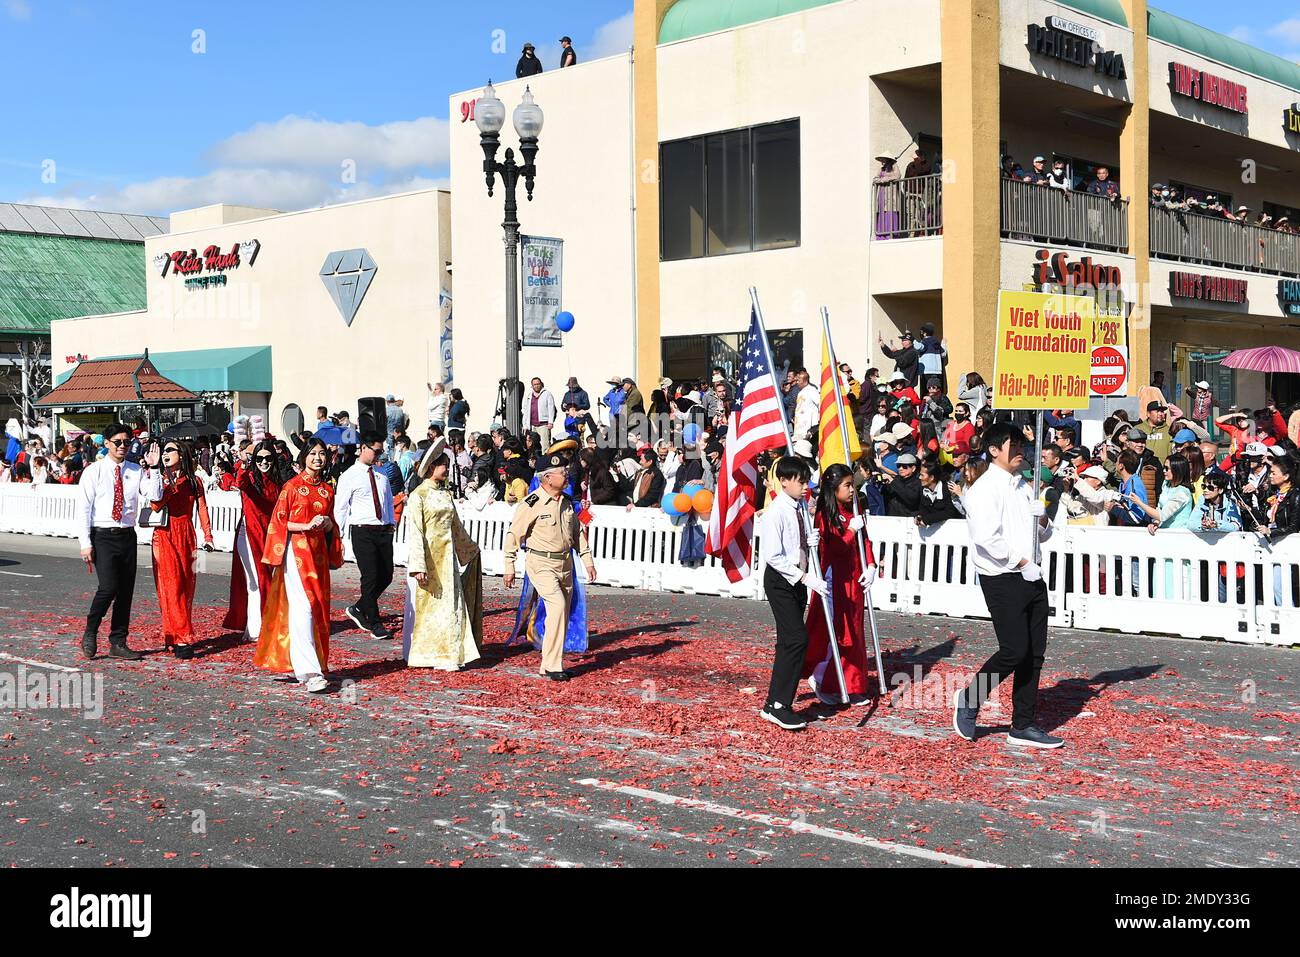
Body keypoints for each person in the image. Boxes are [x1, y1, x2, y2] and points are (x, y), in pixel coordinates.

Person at [952, 423, 1060, 749]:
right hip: (1002, 576)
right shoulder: (984, 488)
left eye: (1021, 447)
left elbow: (1040, 536)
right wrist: (1022, 564)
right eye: (1013, 446)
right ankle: (970, 698)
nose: (1020, 453)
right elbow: (986, 539)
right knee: (1014, 649)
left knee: (1034, 654)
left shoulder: (1023, 485)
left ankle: (1023, 724)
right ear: (995, 450)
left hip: (1031, 572)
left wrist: (1042, 518)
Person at [254, 437, 342, 693]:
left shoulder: (327, 490)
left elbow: (332, 524)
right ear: (303, 457)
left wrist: (327, 526)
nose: (318, 458)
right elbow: (279, 522)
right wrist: (305, 526)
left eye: (322, 453)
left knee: (317, 608)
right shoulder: (291, 487)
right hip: (296, 553)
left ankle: (310, 663)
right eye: (313, 453)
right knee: (303, 607)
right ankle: (310, 671)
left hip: (318, 556)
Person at [503, 452, 597, 680]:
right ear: (546, 478)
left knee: (563, 612)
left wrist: (588, 562)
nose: (566, 475)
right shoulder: (531, 503)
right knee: (556, 605)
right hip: (541, 563)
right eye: (561, 472)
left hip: (564, 564)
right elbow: (514, 533)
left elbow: (577, 535)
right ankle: (553, 665)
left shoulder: (565, 503)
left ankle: (549, 664)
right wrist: (509, 565)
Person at [77, 423, 164, 660]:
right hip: (103, 535)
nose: (123, 447)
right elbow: (83, 509)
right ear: (106, 444)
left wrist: (155, 468)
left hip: (127, 534)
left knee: (125, 591)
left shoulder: (136, 471)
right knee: (108, 588)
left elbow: (155, 495)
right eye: (118, 442)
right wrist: (85, 542)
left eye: (127, 442)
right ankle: (91, 630)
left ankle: (118, 641)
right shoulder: (93, 472)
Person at [799, 464, 876, 707]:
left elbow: (865, 542)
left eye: (852, 484)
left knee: (853, 632)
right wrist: (851, 530)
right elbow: (835, 549)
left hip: (854, 579)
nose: (852, 490)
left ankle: (851, 683)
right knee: (836, 632)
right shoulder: (825, 515)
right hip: (835, 581)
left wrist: (871, 566)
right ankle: (822, 676)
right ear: (834, 489)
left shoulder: (855, 507)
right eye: (846, 485)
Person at [402, 440, 483, 670]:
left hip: (448, 560)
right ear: (431, 467)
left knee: (452, 605)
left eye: (447, 464)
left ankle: (451, 653)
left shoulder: (446, 494)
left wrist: (469, 550)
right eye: (443, 465)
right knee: (431, 607)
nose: (446, 469)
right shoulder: (419, 495)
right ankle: (429, 653)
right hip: (429, 559)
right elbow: (415, 531)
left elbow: (455, 526)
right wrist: (418, 566)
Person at [759, 455, 823, 730]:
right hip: (781, 580)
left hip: (796, 578)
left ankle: (776, 702)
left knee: (791, 641)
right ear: (784, 482)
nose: (804, 485)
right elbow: (773, 556)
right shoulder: (777, 511)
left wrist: (811, 544)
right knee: (796, 639)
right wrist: (805, 577)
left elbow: (795, 546)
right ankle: (779, 704)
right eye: (799, 480)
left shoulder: (798, 508)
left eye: (806, 480)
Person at [148, 439, 214, 658]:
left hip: (186, 535)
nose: (164, 453)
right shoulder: (160, 479)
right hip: (164, 535)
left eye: (169, 450)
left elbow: (202, 508)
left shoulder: (194, 481)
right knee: (171, 586)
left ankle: (173, 637)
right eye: (163, 451)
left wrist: (208, 535)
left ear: (182, 454)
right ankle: (183, 639)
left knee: (185, 587)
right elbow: (155, 504)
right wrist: (160, 473)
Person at [335, 431, 396, 639]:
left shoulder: (381, 476)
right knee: (369, 576)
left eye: (381, 451)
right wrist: (338, 536)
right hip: (362, 530)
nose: (378, 455)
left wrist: (391, 524)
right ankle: (374, 622)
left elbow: (388, 502)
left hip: (382, 530)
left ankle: (360, 607)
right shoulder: (349, 476)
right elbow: (341, 508)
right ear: (363, 449)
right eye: (375, 451)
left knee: (386, 574)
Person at [224, 439, 282, 641]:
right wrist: (243, 463)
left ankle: (259, 627)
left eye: (268, 458)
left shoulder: (277, 482)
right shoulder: (248, 476)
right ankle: (256, 629)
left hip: (271, 536)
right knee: (256, 581)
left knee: (268, 581)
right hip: (249, 534)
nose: (264, 462)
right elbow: (240, 483)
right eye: (259, 458)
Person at [1127, 453, 1197, 534]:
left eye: (1167, 468)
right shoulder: (1166, 484)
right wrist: (1156, 522)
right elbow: (1160, 508)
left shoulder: (1182, 493)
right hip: (1164, 532)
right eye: (1164, 467)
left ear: (1177, 470)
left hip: (1178, 534)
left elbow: (1162, 516)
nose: (1164, 471)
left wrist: (1139, 503)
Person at [916, 459, 963, 526]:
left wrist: (928, 520)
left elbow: (950, 512)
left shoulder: (948, 489)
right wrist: (919, 516)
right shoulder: (923, 490)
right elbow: (923, 509)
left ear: (931, 477)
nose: (919, 478)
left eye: (922, 475)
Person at [626, 445, 666, 509]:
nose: (640, 462)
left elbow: (652, 495)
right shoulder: (639, 472)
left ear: (650, 462)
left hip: (649, 509)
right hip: (636, 507)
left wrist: (637, 505)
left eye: (642, 460)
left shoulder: (656, 474)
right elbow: (630, 486)